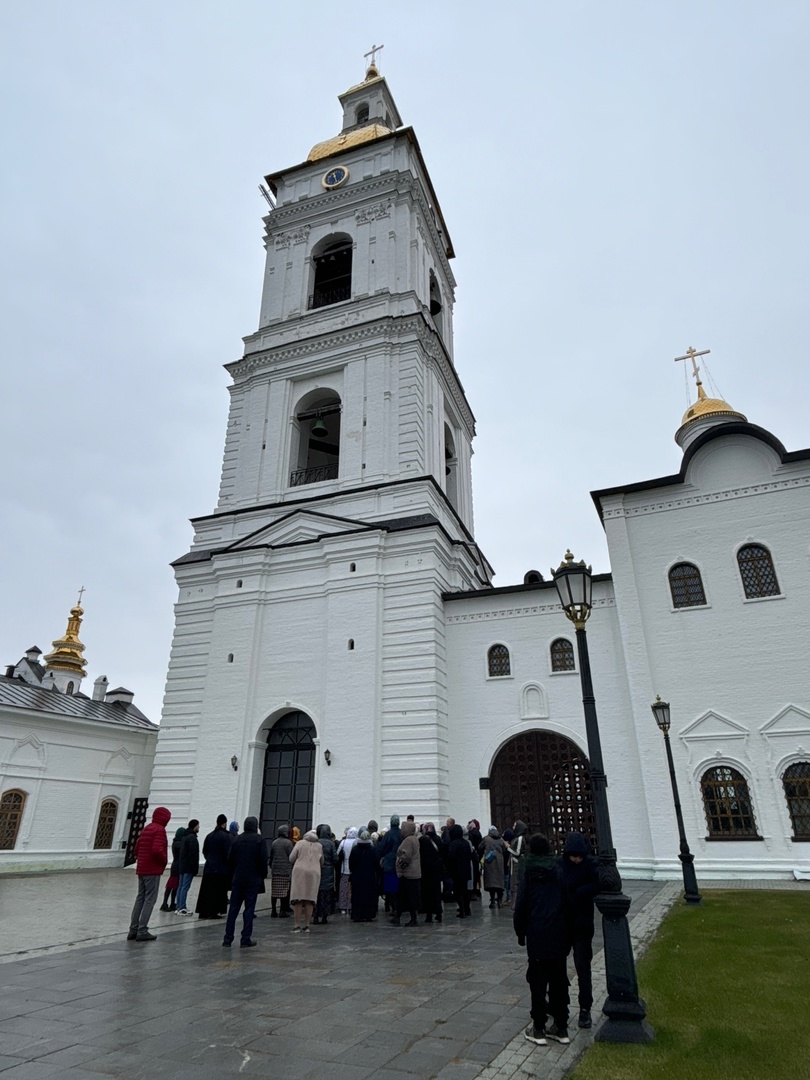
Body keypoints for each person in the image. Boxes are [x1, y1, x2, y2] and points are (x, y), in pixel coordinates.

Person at [513, 833, 570, 1046]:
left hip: (536, 933)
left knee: (537, 981)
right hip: (558, 932)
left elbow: (522, 903)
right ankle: (561, 1027)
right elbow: (567, 901)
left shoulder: (527, 869)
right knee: (559, 979)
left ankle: (538, 1028)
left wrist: (520, 931)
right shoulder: (559, 869)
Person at [560, 832, 599, 1029]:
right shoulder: (561, 864)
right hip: (563, 923)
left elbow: (597, 884)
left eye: (579, 856)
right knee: (557, 965)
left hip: (582, 925)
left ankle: (585, 1008)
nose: (576, 859)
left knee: (583, 967)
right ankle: (559, 1004)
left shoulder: (590, 866)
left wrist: (578, 893)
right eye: (573, 856)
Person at [222, 816, 268, 948]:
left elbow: (230, 859)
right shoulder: (259, 840)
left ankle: (227, 939)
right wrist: (262, 875)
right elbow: (262, 860)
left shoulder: (237, 839)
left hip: (238, 879)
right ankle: (245, 938)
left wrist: (234, 874)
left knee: (233, 910)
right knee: (249, 909)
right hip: (252, 880)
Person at [128, 806, 171, 941]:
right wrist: (164, 861)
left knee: (140, 898)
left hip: (142, 868)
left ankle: (133, 929)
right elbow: (157, 850)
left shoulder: (147, 828)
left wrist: (141, 859)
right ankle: (142, 930)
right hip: (152, 869)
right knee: (150, 899)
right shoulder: (159, 830)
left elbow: (137, 848)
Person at [196, 814, 231, 919]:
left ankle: (203, 911)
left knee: (206, 891)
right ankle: (214, 911)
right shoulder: (226, 836)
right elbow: (228, 853)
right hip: (221, 869)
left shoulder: (210, 835)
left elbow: (204, 851)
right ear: (224, 823)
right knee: (218, 891)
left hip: (209, 867)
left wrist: (209, 859)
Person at [289, 828, 323, 932]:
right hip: (314, 873)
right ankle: (307, 925)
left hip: (299, 872)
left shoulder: (299, 843)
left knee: (298, 899)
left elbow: (291, 858)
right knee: (310, 899)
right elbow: (322, 861)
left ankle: (297, 925)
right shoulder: (319, 846)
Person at [393, 819, 421, 926]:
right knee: (409, 896)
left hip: (407, 874)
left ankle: (408, 917)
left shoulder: (407, 841)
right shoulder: (414, 839)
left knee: (404, 896)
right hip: (414, 873)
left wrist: (399, 866)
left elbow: (405, 856)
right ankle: (399, 916)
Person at [348, 828, 379, 921]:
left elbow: (351, 864)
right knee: (369, 896)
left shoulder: (355, 849)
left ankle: (357, 915)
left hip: (357, 877)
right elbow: (376, 864)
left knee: (357, 896)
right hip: (370, 877)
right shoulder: (373, 850)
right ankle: (368, 915)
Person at [418, 822, 444, 924]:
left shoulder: (422, 840)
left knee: (427, 893)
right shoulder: (438, 839)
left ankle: (429, 915)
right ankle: (438, 913)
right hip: (436, 870)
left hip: (426, 870)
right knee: (437, 892)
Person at [447, 823, 473, 918]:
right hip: (466, 870)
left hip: (457, 871)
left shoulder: (453, 844)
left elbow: (451, 857)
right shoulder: (465, 843)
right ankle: (467, 909)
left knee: (458, 891)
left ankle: (462, 910)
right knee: (465, 890)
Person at [314, 824, 338, 925]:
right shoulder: (331, 844)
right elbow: (335, 859)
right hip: (328, 872)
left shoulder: (316, 843)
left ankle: (315, 916)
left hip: (317, 870)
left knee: (316, 894)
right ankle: (324, 917)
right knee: (327, 895)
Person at [377, 814, 402, 914]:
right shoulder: (401, 834)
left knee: (390, 887)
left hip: (389, 864)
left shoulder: (388, 834)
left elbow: (382, 848)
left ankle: (391, 906)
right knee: (398, 887)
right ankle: (398, 906)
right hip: (400, 863)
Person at [175, 819, 200, 915]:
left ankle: (178, 906)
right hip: (188, 867)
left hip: (182, 866)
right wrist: (194, 868)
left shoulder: (184, 837)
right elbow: (193, 854)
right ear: (195, 826)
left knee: (181, 886)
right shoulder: (192, 838)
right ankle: (182, 907)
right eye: (198, 825)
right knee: (185, 887)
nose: (199, 827)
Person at [478, 826, 507, 908]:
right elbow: (504, 850)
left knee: (491, 882)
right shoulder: (501, 840)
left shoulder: (486, 839)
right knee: (499, 882)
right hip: (499, 862)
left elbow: (480, 847)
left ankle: (492, 901)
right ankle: (500, 901)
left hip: (489, 862)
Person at [269, 825, 293, 917]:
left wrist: (271, 865)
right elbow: (291, 856)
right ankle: (282, 910)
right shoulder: (288, 843)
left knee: (274, 891)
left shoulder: (274, 842)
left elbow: (271, 856)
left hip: (276, 870)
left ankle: (273, 910)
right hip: (285, 871)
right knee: (284, 891)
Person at [159, 824, 185, 911]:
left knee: (173, 886)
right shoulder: (180, 844)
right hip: (177, 866)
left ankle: (169, 902)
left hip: (175, 865)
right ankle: (166, 903)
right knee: (173, 886)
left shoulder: (175, 842)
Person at [507, 819, 529, 905]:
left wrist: (508, 847)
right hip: (515, 863)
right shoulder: (516, 838)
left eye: (515, 826)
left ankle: (516, 904)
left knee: (516, 883)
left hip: (517, 864)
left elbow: (517, 852)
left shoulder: (520, 838)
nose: (513, 827)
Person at [336, 827, 357, 914]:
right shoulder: (356, 842)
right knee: (352, 889)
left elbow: (337, 854)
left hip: (344, 868)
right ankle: (351, 906)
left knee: (343, 889)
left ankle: (343, 907)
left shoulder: (343, 842)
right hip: (354, 869)